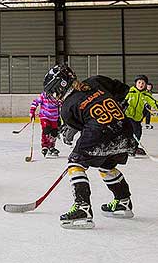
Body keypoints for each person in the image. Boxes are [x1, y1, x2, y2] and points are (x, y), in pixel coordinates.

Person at [43, 65, 137, 229]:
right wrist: (119, 105)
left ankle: (82, 208)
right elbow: (123, 90)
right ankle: (123, 201)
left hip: (99, 133)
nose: (54, 95)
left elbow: (83, 126)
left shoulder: (67, 107)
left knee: (75, 163)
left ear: (62, 85)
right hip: (125, 131)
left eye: (54, 90)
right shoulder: (96, 81)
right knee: (106, 165)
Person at [124, 75, 158, 156]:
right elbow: (122, 100)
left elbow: (154, 102)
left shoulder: (146, 95)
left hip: (137, 118)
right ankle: (127, 148)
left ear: (145, 85)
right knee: (129, 131)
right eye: (139, 82)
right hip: (128, 116)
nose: (141, 84)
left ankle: (133, 148)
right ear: (135, 83)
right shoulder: (130, 92)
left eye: (143, 83)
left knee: (138, 132)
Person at [29, 91, 61, 157]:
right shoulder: (44, 95)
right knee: (46, 130)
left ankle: (51, 146)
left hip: (54, 118)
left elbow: (61, 105)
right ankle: (45, 146)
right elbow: (35, 102)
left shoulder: (58, 96)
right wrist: (32, 111)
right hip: (45, 116)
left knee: (54, 133)